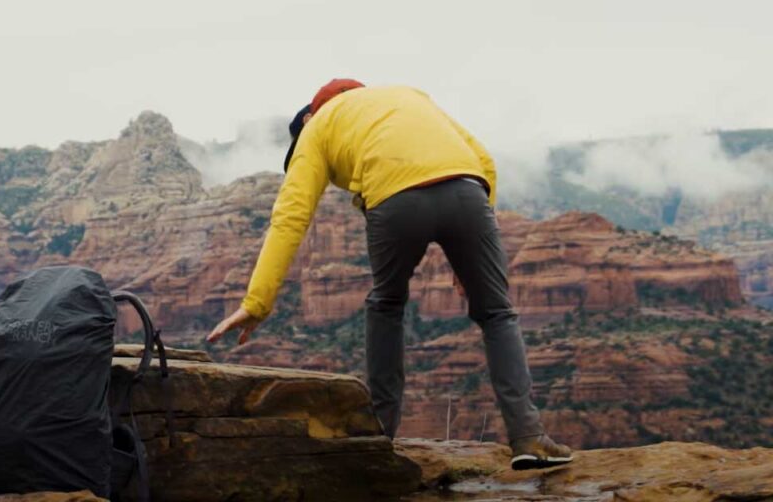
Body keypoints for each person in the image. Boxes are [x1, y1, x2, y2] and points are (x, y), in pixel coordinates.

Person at [206, 79, 574, 470]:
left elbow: (290, 216)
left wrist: (257, 303)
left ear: (311, 115)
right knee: (497, 313)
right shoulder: (409, 95)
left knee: (386, 305)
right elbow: (483, 159)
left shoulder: (316, 125)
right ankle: (529, 437)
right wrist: (479, 251)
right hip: (469, 191)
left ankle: (380, 435)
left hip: (395, 202)